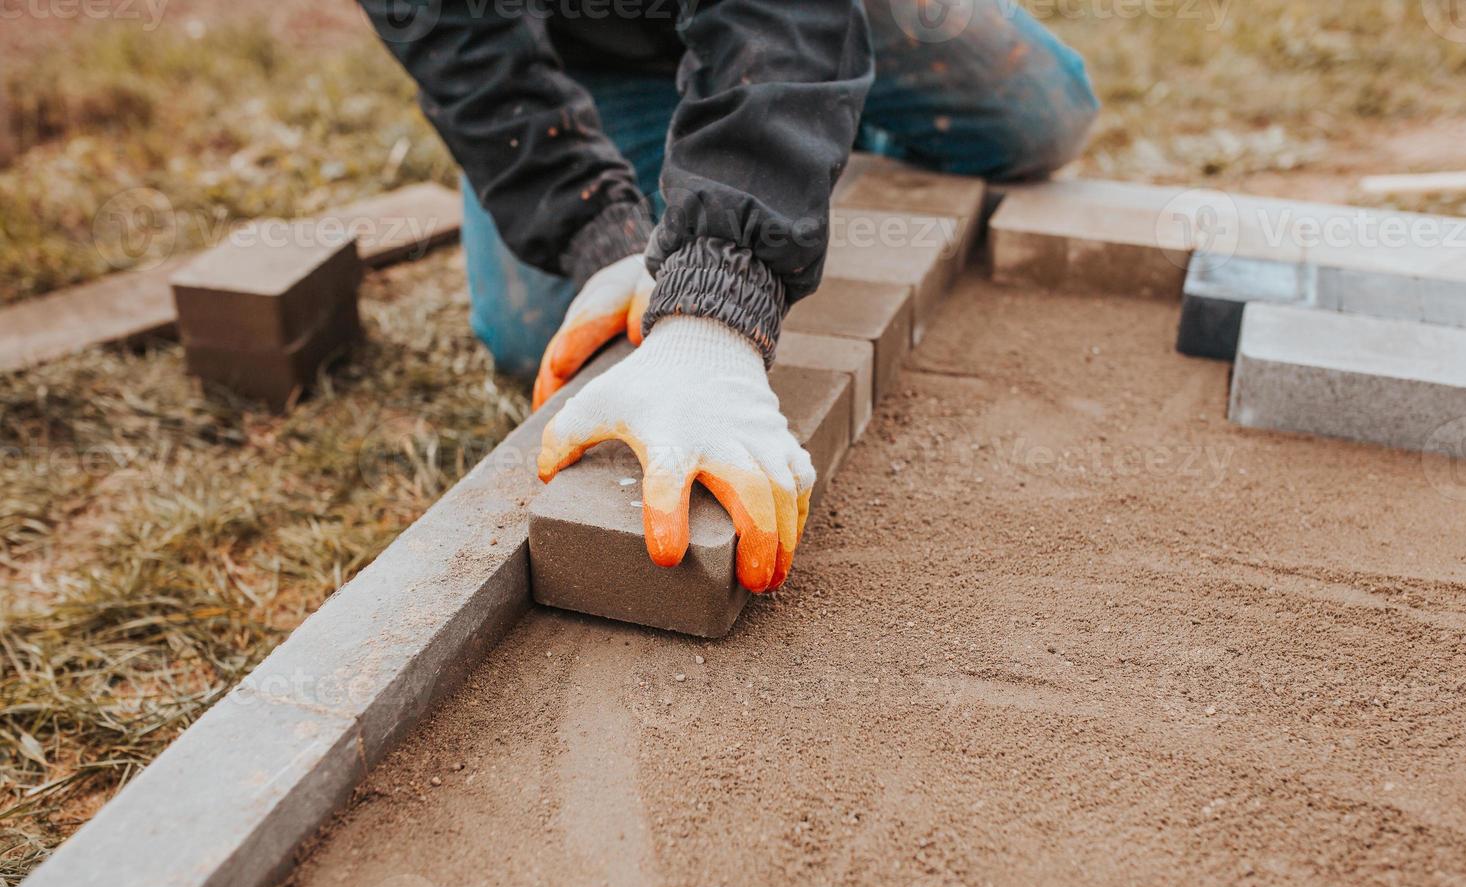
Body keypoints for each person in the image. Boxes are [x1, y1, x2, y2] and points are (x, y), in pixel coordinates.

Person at [360, 0, 1097, 594]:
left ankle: (811, 106)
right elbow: (458, 44)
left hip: (802, 14)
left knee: (1038, 120)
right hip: (579, 50)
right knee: (535, 335)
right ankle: (750, 134)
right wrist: (602, 233)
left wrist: (717, 302)